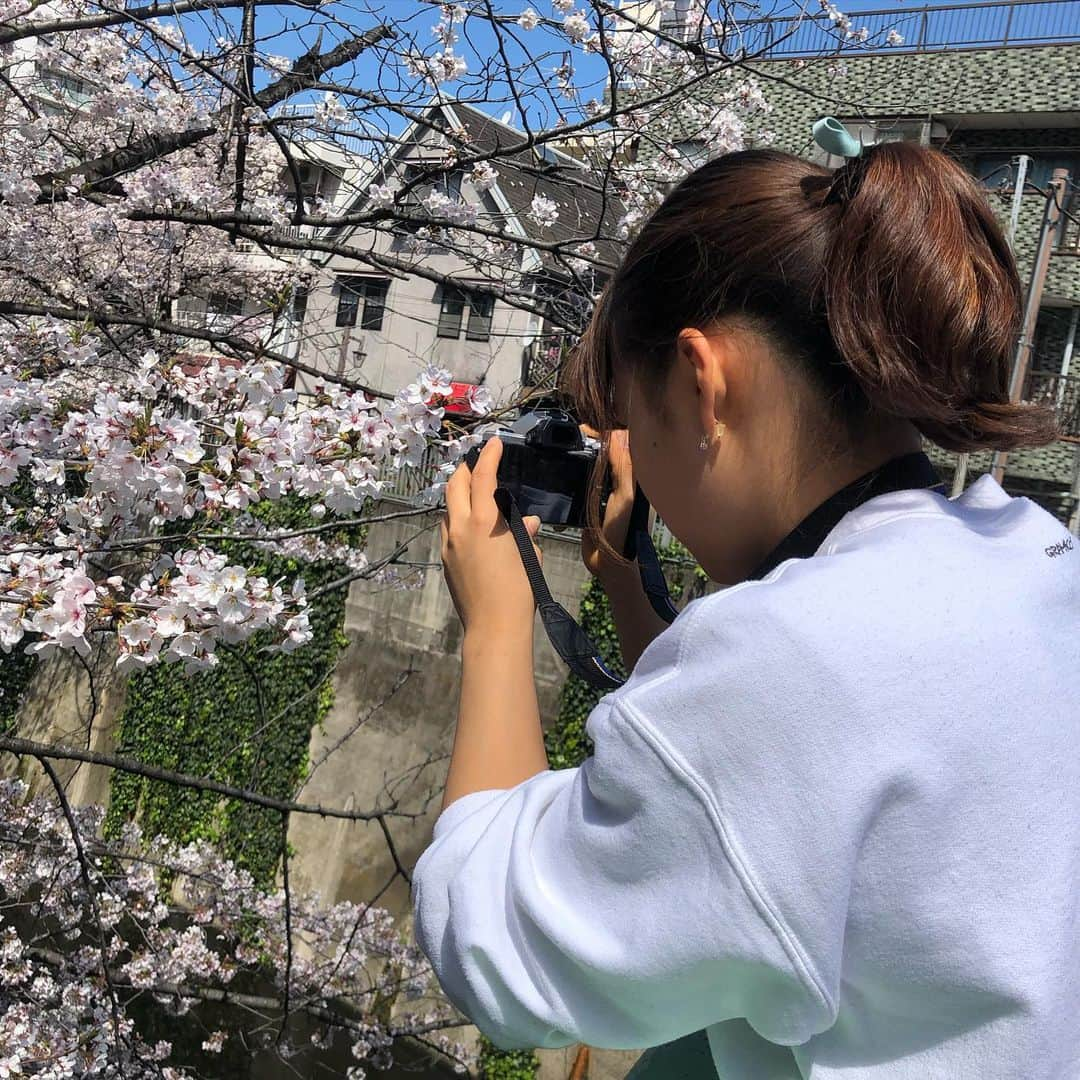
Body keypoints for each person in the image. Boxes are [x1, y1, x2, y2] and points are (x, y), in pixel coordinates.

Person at [409, 143, 1080, 1079]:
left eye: (636, 416)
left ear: (699, 382)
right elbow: (757, 799)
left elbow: (495, 947)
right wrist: (625, 586)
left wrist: (496, 626)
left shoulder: (795, 660)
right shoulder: (1030, 553)